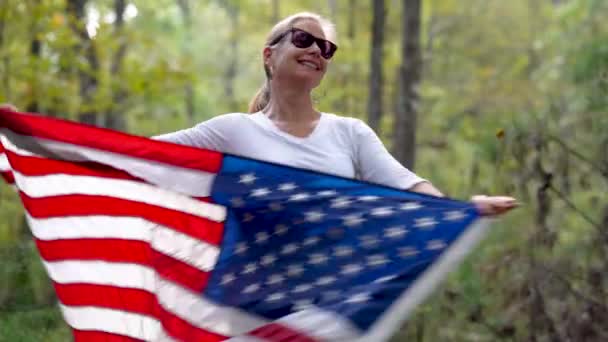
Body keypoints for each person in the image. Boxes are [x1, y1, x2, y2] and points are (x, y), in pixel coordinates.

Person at [0, 12, 516, 216]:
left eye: (326, 47)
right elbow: (135, 157)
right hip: (249, 312)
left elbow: (406, 186)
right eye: (303, 38)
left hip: (328, 310)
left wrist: (463, 208)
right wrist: (32, 146)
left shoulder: (351, 134)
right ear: (270, 55)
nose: (316, 48)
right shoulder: (231, 131)